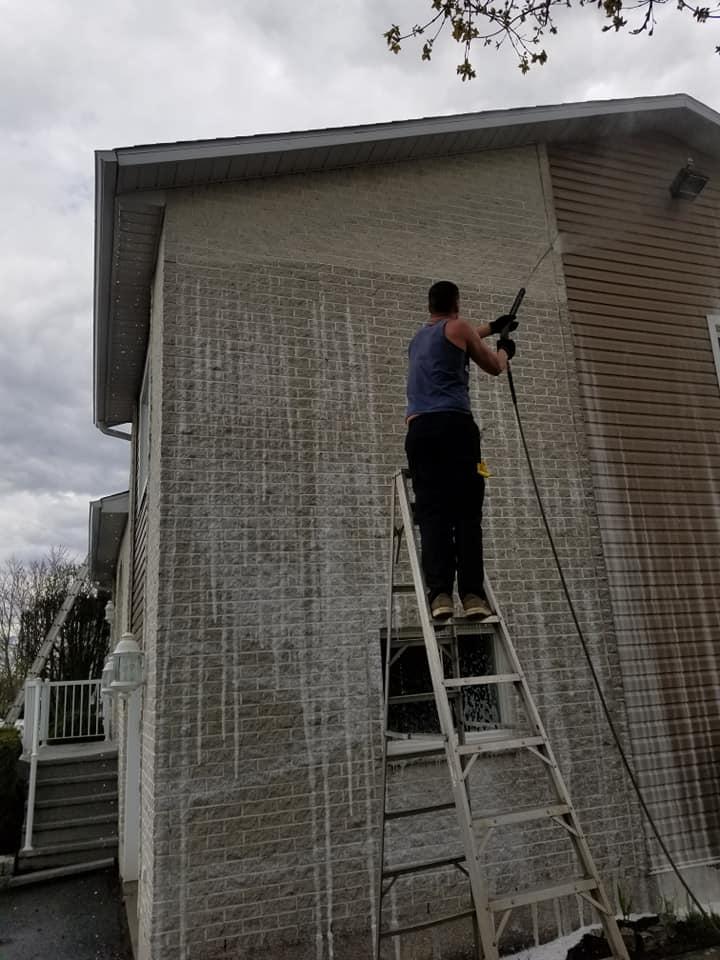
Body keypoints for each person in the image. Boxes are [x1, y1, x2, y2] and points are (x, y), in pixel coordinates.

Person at [405, 280, 517, 621]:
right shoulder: (461, 327)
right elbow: (494, 367)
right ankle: (471, 596)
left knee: (432, 513)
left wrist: (493, 327)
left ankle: (439, 595)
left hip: (419, 431)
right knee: (466, 514)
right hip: (454, 428)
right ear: (456, 303)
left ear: (430, 306)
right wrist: (505, 348)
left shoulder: (418, 339)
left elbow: (458, 336)